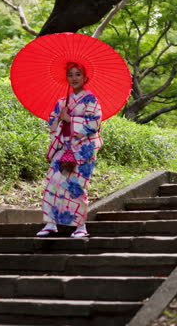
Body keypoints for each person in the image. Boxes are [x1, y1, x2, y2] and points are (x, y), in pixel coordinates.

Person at [36, 62, 103, 238]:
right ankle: (50, 223)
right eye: (70, 74)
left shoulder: (91, 100)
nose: (74, 78)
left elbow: (94, 124)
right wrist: (59, 119)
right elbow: (52, 124)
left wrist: (71, 120)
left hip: (83, 150)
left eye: (78, 74)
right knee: (53, 181)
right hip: (63, 146)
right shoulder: (61, 101)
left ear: (85, 77)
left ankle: (81, 226)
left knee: (77, 186)